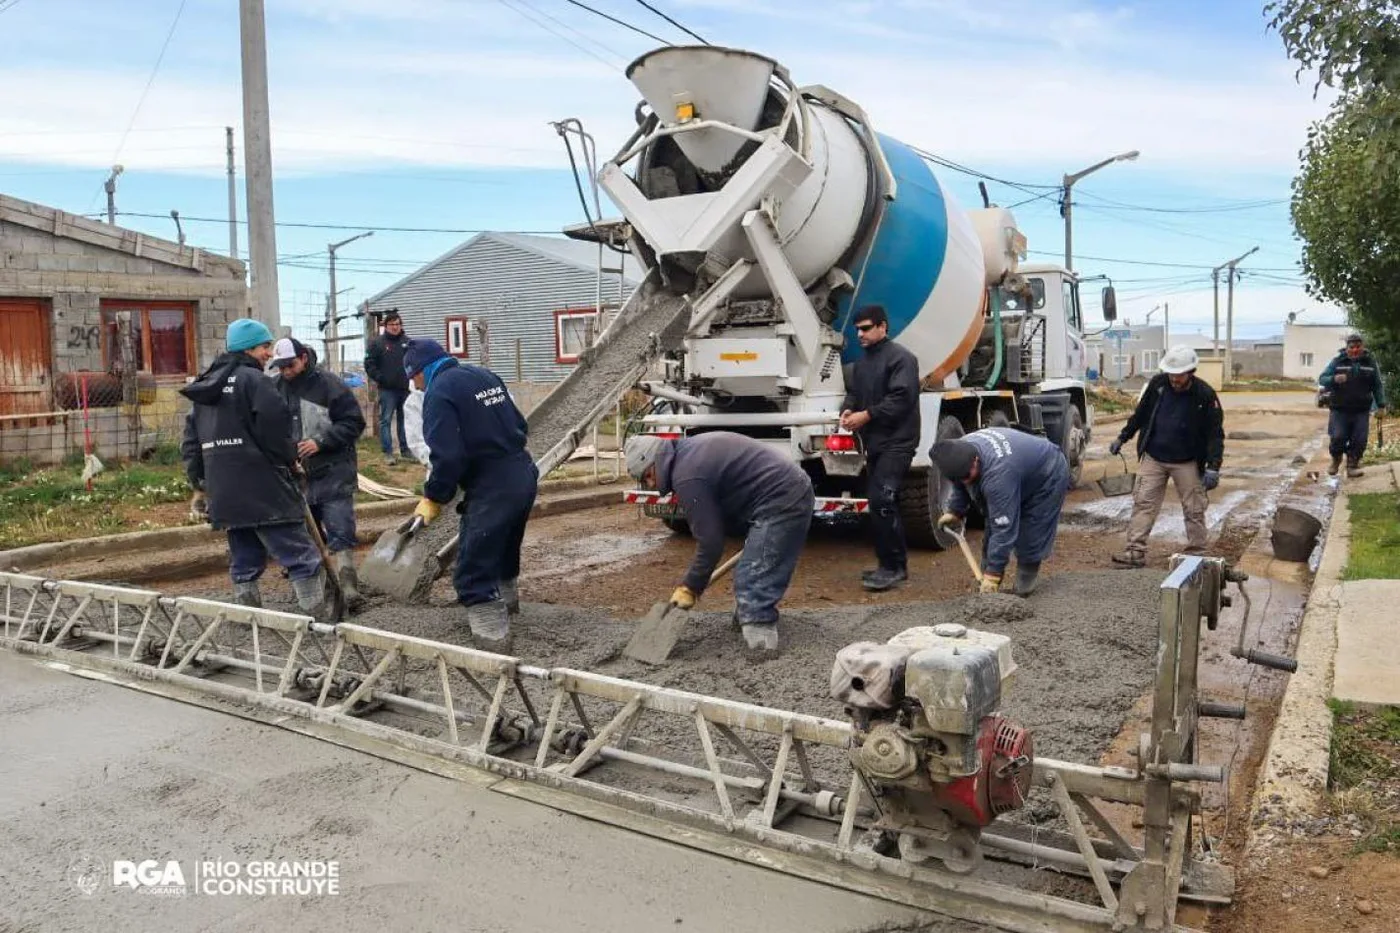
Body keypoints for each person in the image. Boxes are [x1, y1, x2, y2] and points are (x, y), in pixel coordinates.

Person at [180, 319, 332, 620]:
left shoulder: (205, 387)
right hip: (263, 486)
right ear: (248, 348)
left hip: (224, 489)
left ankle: (247, 620)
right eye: (264, 347)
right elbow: (275, 430)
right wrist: (291, 460)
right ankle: (316, 618)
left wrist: (200, 482)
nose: (268, 353)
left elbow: (191, 442)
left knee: (244, 554)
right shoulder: (255, 381)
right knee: (299, 554)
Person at [624, 431, 815, 652]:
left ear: (654, 464)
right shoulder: (686, 455)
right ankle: (748, 615)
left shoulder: (687, 476)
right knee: (754, 564)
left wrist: (690, 587)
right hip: (777, 491)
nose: (651, 484)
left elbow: (711, 543)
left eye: (647, 477)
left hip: (783, 497)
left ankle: (761, 646)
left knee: (754, 575)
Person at [405, 339, 538, 651]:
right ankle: (508, 601)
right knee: (505, 542)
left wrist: (434, 496)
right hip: (523, 472)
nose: (414, 385)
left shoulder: (439, 393)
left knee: (474, 558)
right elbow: (519, 423)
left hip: (491, 483)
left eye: (414, 377)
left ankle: (491, 632)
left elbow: (447, 456)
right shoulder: (485, 376)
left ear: (423, 370)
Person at [270, 337, 367, 610]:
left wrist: (321, 442)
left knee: (340, 529)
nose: (285, 371)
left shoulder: (330, 385)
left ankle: (349, 587)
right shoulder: (275, 389)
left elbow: (354, 422)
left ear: (302, 358)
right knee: (308, 536)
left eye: (289, 365)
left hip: (333, 469)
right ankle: (325, 587)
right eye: (280, 367)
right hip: (298, 476)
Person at [1108, 346, 1225, 569]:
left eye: (1179, 375)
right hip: (1154, 457)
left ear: (1191, 371)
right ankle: (1135, 551)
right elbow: (1141, 414)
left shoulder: (1205, 395)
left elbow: (1215, 434)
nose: (1174, 379)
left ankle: (1196, 555)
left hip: (1188, 461)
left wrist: (1213, 467)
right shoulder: (1158, 385)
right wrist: (1123, 437)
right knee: (1143, 503)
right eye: (1171, 373)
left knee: (1194, 508)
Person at [932, 427, 1071, 596]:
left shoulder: (998, 476)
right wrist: (955, 511)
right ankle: (986, 583)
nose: (967, 478)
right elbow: (962, 483)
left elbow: (1003, 530)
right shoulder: (960, 453)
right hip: (1018, 468)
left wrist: (993, 575)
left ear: (976, 459)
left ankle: (1023, 587)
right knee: (993, 528)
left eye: (969, 473)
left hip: (1048, 473)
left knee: (1031, 531)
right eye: (963, 476)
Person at [839, 304, 921, 592]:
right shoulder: (862, 364)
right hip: (876, 442)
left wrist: (867, 415)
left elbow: (902, 399)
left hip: (899, 441)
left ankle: (895, 567)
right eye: (857, 329)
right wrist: (848, 410)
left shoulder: (902, 359)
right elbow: (854, 393)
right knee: (882, 503)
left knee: (882, 500)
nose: (859, 334)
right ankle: (888, 564)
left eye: (865, 328)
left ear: (883, 327)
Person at [1319, 332, 1387, 478]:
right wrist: (1334, 378)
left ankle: (1352, 466)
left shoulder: (1370, 362)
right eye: (1352, 347)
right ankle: (1336, 459)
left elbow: (1377, 385)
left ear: (1363, 346)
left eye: (1358, 346)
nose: (1355, 350)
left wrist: (1381, 405)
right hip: (1339, 409)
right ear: (1347, 347)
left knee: (1360, 439)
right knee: (1338, 437)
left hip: (1361, 410)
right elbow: (1322, 379)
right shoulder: (1338, 361)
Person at [365, 310, 412, 466]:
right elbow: (369, 364)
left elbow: (414, 362)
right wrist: (380, 378)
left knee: (404, 420)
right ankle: (388, 453)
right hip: (387, 390)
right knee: (385, 420)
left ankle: (405, 450)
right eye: (392, 324)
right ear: (385, 326)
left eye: (398, 324)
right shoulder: (377, 343)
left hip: (405, 388)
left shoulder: (407, 342)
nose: (395, 327)